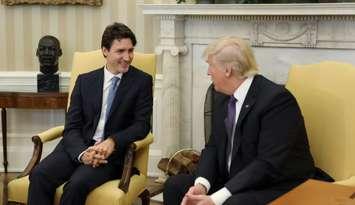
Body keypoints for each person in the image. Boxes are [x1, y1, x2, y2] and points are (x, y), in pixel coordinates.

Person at [163, 36, 324, 205]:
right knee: (176, 186)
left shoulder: (277, 101)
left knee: (233, 203)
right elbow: (213, 147)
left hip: (276, 185)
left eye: (211, 65)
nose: (208, 72)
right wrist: (201, 185)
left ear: (228, 70)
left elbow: (267, 164)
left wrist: (216, 198)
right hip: (238, 179)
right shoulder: (224, 97)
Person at [28, 22, 153, 205]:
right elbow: (72, 126)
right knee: (39, 175)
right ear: (105, 51)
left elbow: (142, 125)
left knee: (76, 185)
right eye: (120, 51)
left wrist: (112, 141)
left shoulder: (141, 81)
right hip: (77, 148)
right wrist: (82, 153)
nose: (127, 57)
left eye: (131, 51)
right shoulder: (85, 81)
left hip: (110, 157)